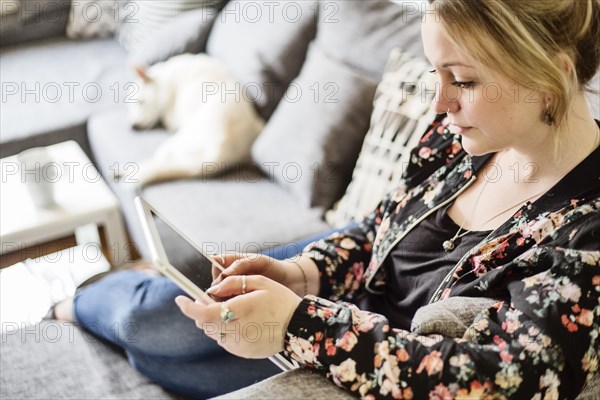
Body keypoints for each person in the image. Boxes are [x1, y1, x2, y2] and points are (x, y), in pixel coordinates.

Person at [56, 0, 599, 398]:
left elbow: (504, 380)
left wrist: (298, 323)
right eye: (437, 74)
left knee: (179, 356)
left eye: (462, 80)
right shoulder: (459, 138)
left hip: (362, 352)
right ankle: (81, 302)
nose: (439, 101)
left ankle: (98, 320)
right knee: (157, 316)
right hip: (341, 310)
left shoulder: (585, 236)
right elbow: (380, 226)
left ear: (550, 76)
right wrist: (305, 274)